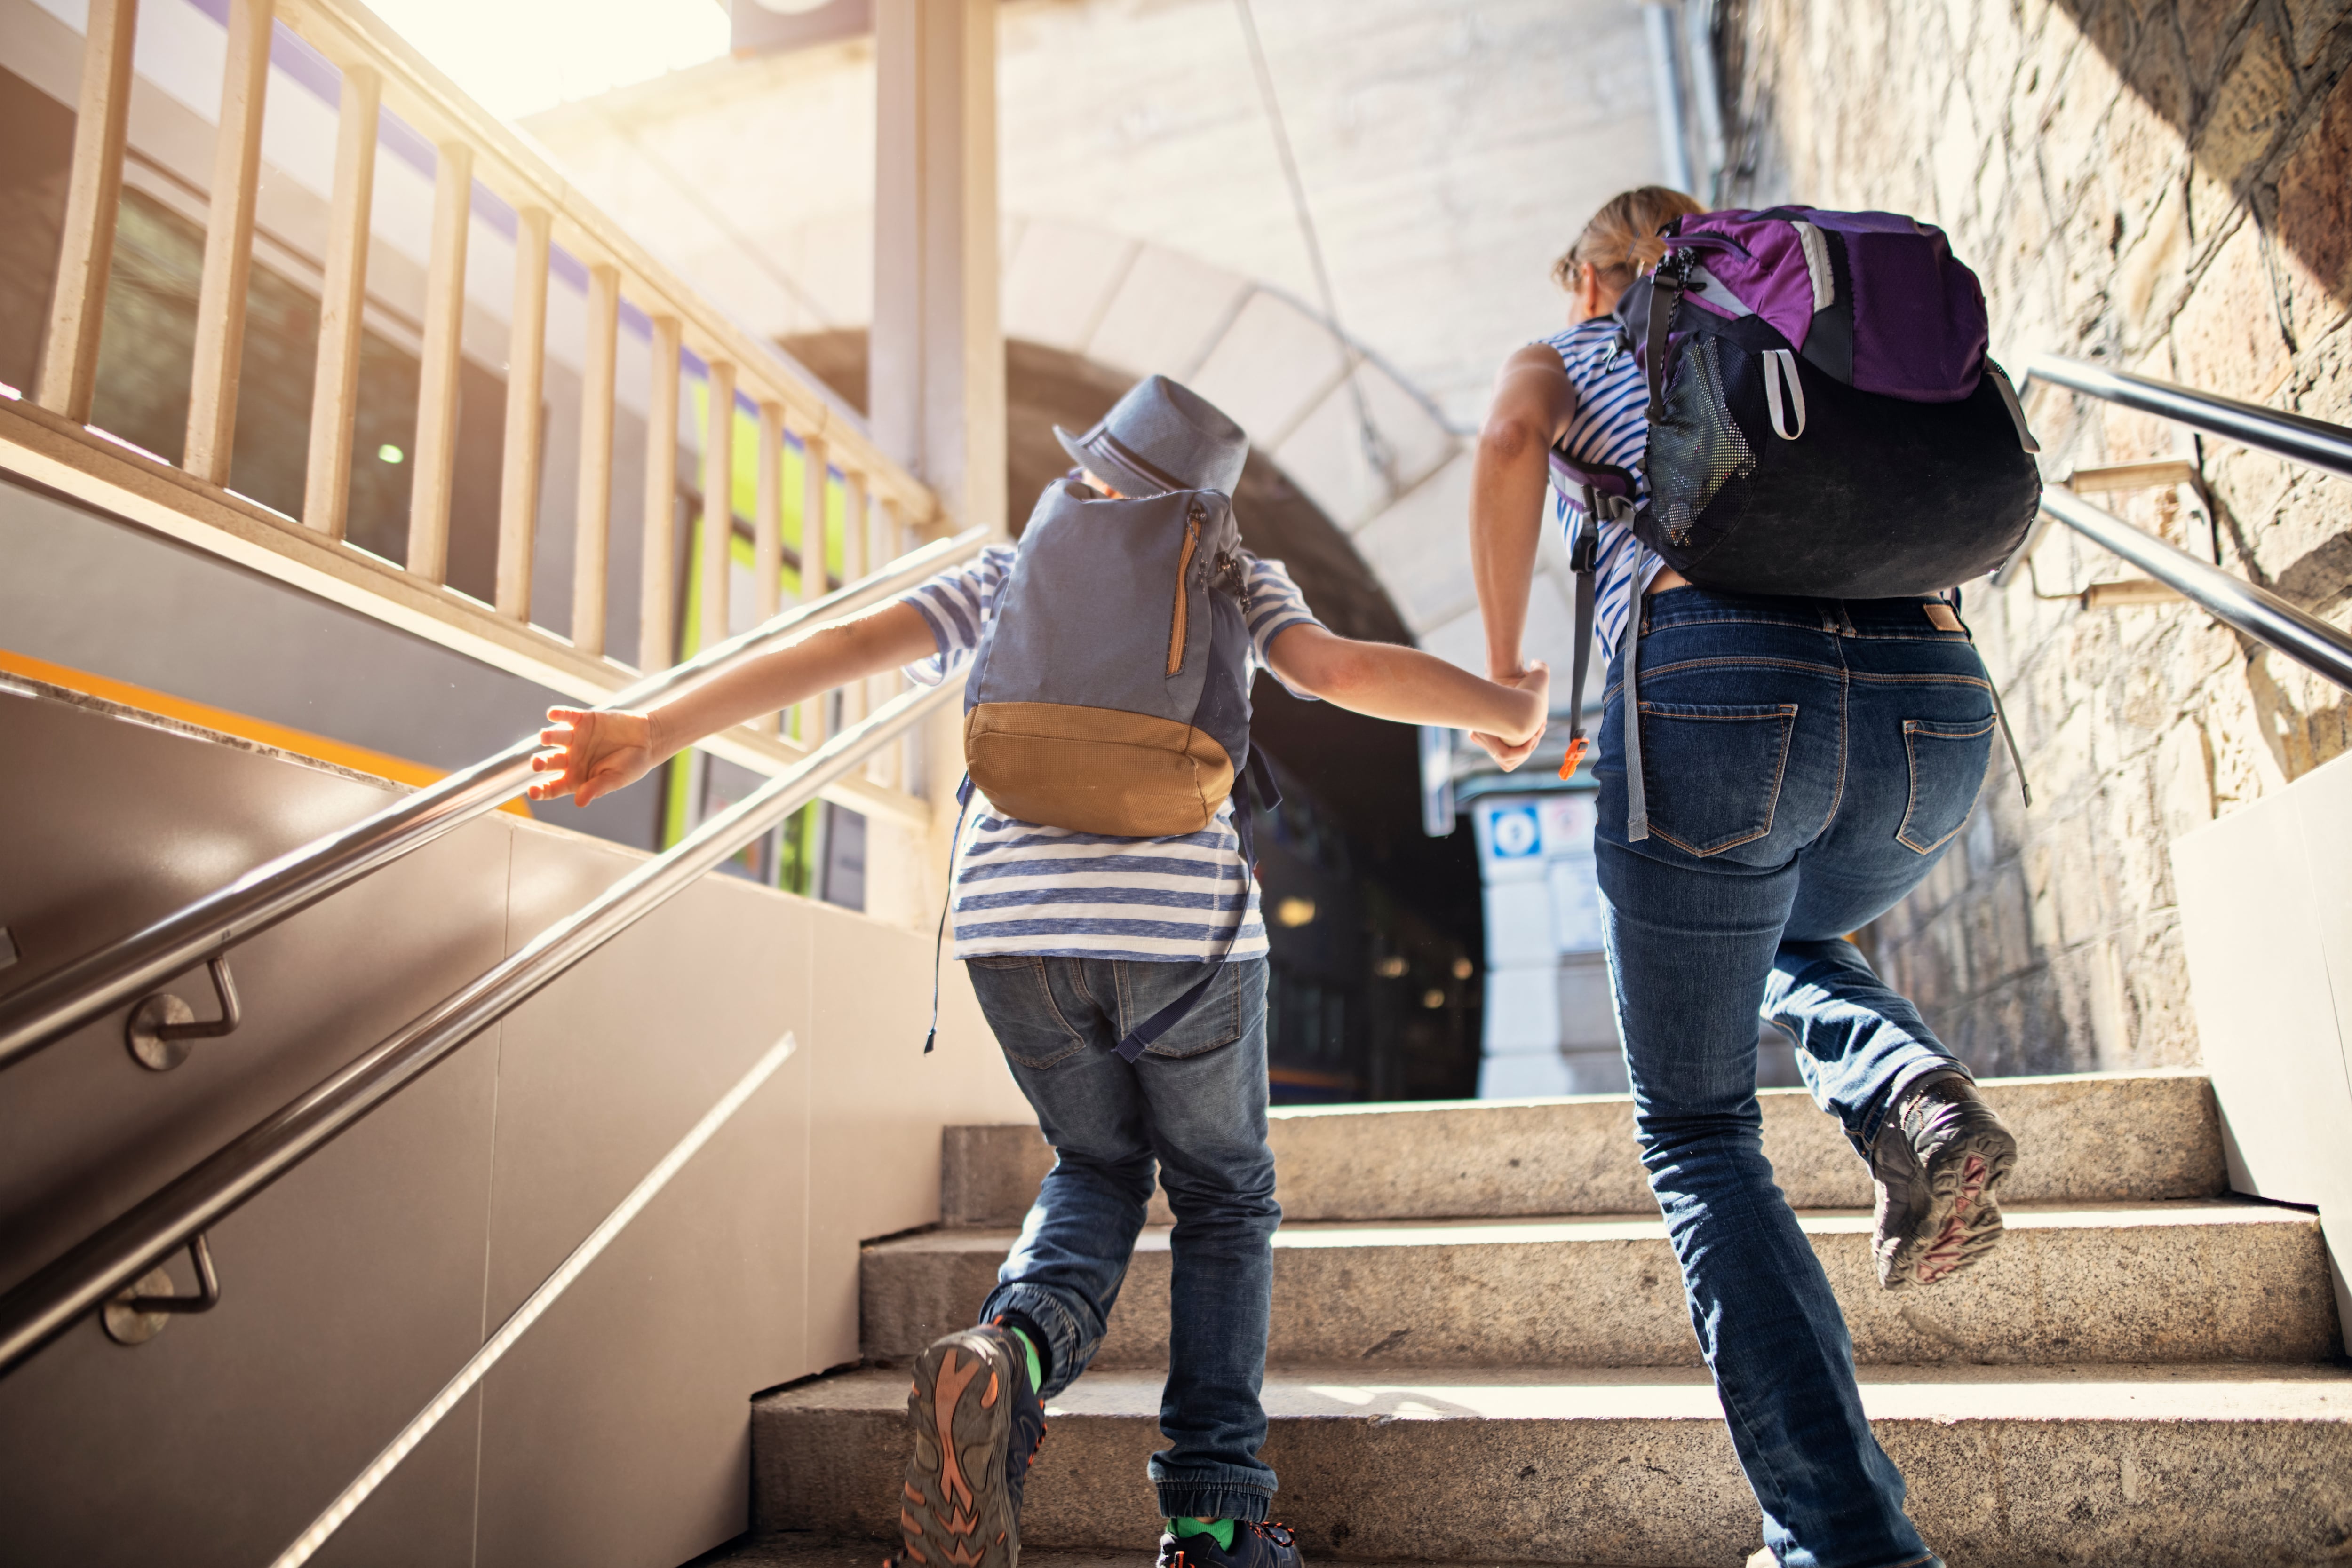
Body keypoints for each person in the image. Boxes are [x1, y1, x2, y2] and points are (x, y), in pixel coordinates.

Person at [529, 374, 1549, 1568]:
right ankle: (1217, 1517)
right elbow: (1338, 673)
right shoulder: (1231, 573)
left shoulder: (1012, 567)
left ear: (1089, 471)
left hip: (1012, 929)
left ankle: (1009, 1356)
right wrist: (1505, 710)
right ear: (1206, 505)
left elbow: (846, 644)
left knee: (1098, 1166)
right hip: (1186, 940)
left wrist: (650, 727)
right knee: (1223, 1198)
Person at [1465, 186, 2021, 1568]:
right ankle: (1906, 1084)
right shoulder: (1813, 335)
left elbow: (1505, 440)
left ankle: (1844, 1541)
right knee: (1775, 924)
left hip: (1717, 693)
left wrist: (1503, 672)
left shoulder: (1579, 343)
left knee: (1702, 1130)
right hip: (1934, 705)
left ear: (1596, 274)